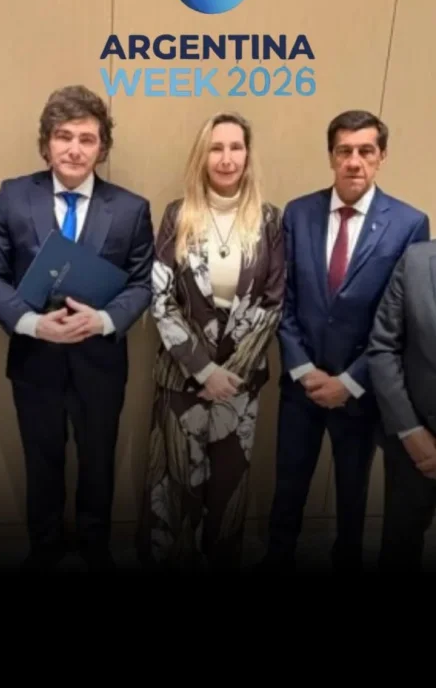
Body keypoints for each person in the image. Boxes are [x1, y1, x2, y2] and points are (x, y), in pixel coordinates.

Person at [0, 85, 154, 571]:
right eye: (63, 136)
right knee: (41, 460)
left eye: (87, 139)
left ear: (102, 147)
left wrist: (105, 319)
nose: (74, 149)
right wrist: (33, 324)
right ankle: (45, 546)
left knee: (99, 461)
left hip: (101, 361)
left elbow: (142, 283)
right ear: (46, 143)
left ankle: (96, 546)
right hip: (34, 360)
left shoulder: (132, 208)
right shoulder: (12, 196)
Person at [263, 109, 430, 572]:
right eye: (344, 151)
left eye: (365, 151)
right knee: (288, 484)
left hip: (361, 389)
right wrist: (303, 369)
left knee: (352, 493)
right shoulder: (298, 213)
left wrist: (350, 382)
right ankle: (278, 557)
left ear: (381, 156)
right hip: (301, 386)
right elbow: (282, 299)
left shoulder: (410, 223)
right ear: (331, 156)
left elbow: (402, 318)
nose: (354, 161)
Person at [135, 111, 285, 571]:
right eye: (216, 148)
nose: (226, 158)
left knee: (227, 492)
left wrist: (228, 375)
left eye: (235, 147)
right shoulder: (177, 215)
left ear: (248, 155)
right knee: (174, 489)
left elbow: (273, 301)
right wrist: (202, 369)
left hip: (239, 385)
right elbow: (161, 297)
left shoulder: (269, 220)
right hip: (181, 378)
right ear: (203, 156)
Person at [367, 241, 436, 571]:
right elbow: (383, 348)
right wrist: (410, 432)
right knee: (400, 549)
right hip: (414, 444)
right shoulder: (416, 260)